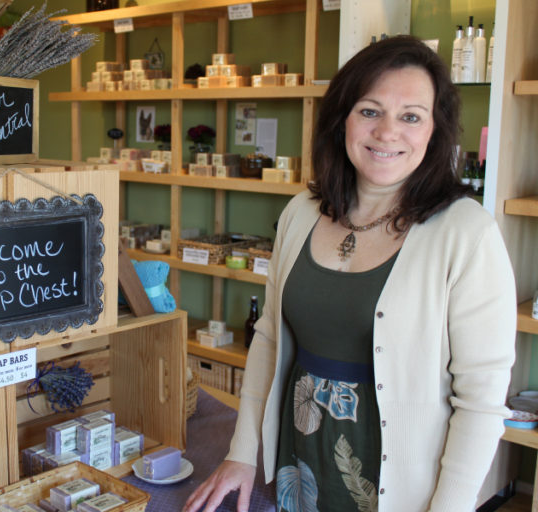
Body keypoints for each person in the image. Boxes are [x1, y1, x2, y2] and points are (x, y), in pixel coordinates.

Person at [184, 35, 516, 512]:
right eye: (370, 110)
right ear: (342, 118)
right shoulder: (301, 213)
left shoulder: (466, 233)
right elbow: (270, 339)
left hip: (400, 485)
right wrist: (242, 455)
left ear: (434, 131)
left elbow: (482, 399)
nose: (387, 132)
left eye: (410, 116)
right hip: (298, 464)